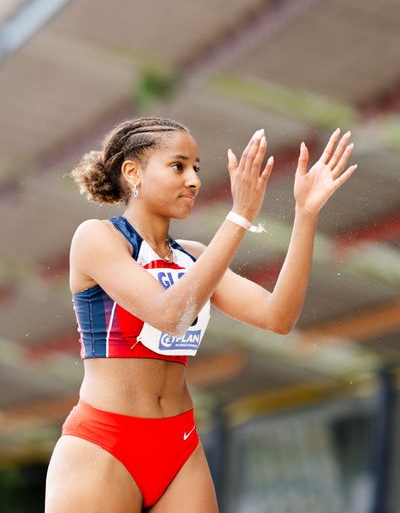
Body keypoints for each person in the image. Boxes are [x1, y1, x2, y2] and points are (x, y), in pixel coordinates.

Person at [44, 116, 356, 513]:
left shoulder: (193, 254)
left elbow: (278, 317)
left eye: (196, 168)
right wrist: (239, 216)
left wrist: (306, 214)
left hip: (179, 444)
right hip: (105, 442)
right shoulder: (97, 237)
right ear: (132, 171)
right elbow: (170, 315)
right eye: (178, 166)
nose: (193, 180)